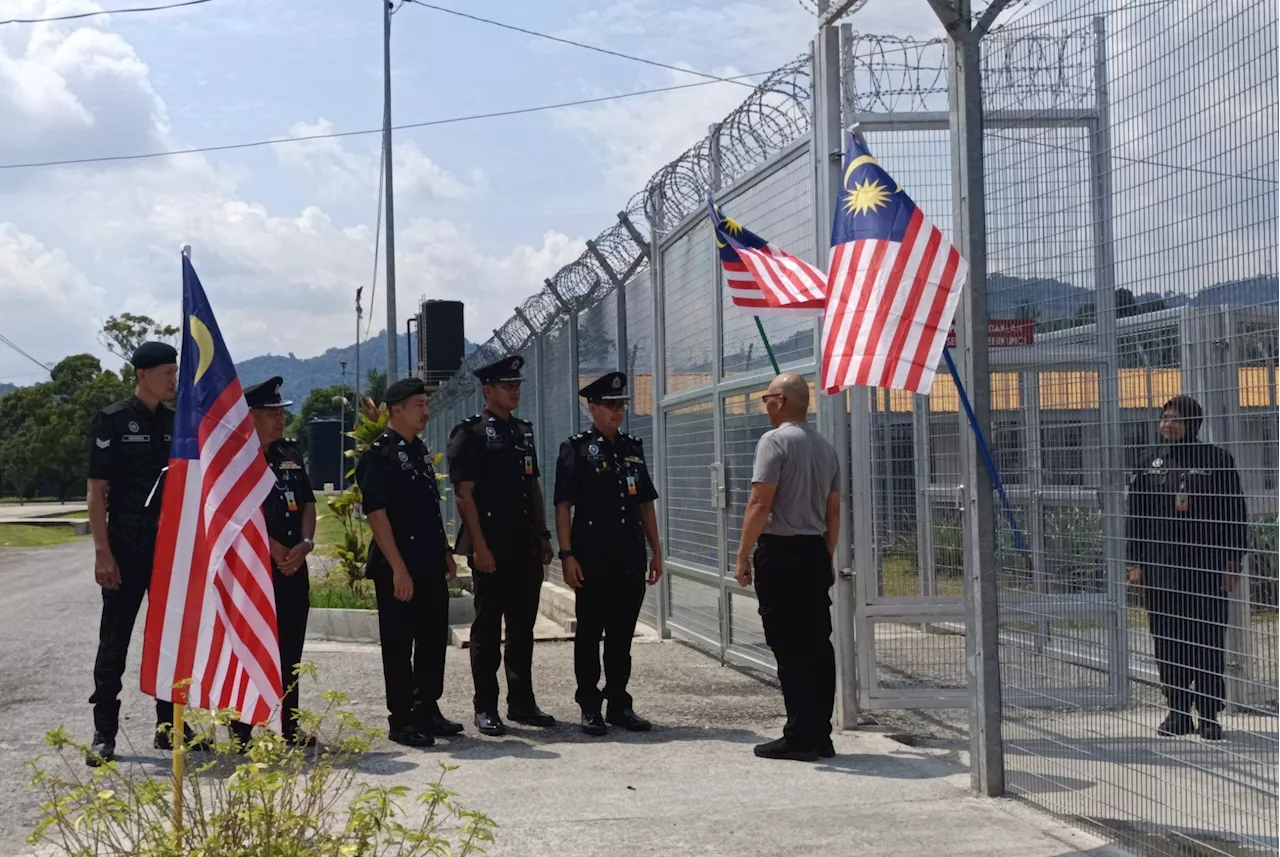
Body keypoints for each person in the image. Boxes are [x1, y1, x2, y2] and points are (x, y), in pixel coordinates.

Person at [86, 341, 210, 765]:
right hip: (126, 545)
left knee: (169, 638)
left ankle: (168, 726)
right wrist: (103, 552)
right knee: (114, 640)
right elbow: (96, 491)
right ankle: (104, 732)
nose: (173, 380)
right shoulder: (113, 420)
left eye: (175, 373)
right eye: (166, 373)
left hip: (168, 550)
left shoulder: (178, 423)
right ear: (142, 375)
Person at [1127, 394, 1247, 741]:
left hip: (1206, 570)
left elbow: (1235, 516)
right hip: (1161, 569)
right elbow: (1135, 517)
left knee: (1207, 639)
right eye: (1164, 417)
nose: (1168, 423)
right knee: (1167, 641)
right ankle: (1177, 712)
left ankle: (1208, 714)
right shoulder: (1149, 462)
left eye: (1176, 417)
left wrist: (1232, 560)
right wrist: (1135, 563)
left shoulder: (1217, 461)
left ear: (1193, 422)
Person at [733, 373, 839, 762]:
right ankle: (820, 733)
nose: (764, 406)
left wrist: (742, 554)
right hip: (813, 551)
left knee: (788, 646)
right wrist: (826, 556)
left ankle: (799, 734)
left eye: (766, 399)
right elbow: (833, 510)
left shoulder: (774, 441)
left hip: (780, 553)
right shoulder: (825, 447)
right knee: (817, 645)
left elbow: (760, 503)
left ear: (779, 401)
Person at [447, 355, 555, 736]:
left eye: (518, 385)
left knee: (522, 628)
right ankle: (486, 706)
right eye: (508, 385)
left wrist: (542, 534)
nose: (515, 391)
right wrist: (479, 546)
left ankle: (522, 703)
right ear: (488, 390)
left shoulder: (523, 432)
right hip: (490, 545)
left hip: (524, 544)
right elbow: (464, 495)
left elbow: (533, 486)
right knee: (488, 629)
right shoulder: (470, 433)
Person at [554, 372, 663, 736]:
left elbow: (645, 502)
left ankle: (618, 702)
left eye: (622, 405)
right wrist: (567, 555)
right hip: (593, 558)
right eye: (612, 406)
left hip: (629, 557)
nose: (619, 412)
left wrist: (656, 551)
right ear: (593, 407)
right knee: (589, 634)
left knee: (621, 637)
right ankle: (589, 705)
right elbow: (564, 505)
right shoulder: (576, 448)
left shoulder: (632, 447)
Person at [357, 377, 463, 748]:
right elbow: (378, 515)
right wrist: (399, 568)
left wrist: (446, 552)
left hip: (429, 561)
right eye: (418, 405)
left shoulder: (418, 451)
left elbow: (430, 509)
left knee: (433, 638)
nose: (425, 411)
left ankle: (426, 709)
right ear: (396, 408)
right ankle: (401, 719)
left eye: (425, 404)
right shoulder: (378, 454)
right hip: (396, 564)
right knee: (400, 644)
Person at [230, 377, 317, 749]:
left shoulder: (290, 454)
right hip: (253, 571)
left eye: (281, 412)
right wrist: (269, 547)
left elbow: (308, 503)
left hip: (293, 566)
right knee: (249, 645)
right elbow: (230, 514)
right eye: (269, 414)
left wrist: (305, 543)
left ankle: (289, 723)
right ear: (249, 417)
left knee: (291, 649)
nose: (279, 420)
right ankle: (241, 727)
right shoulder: (235, 460)